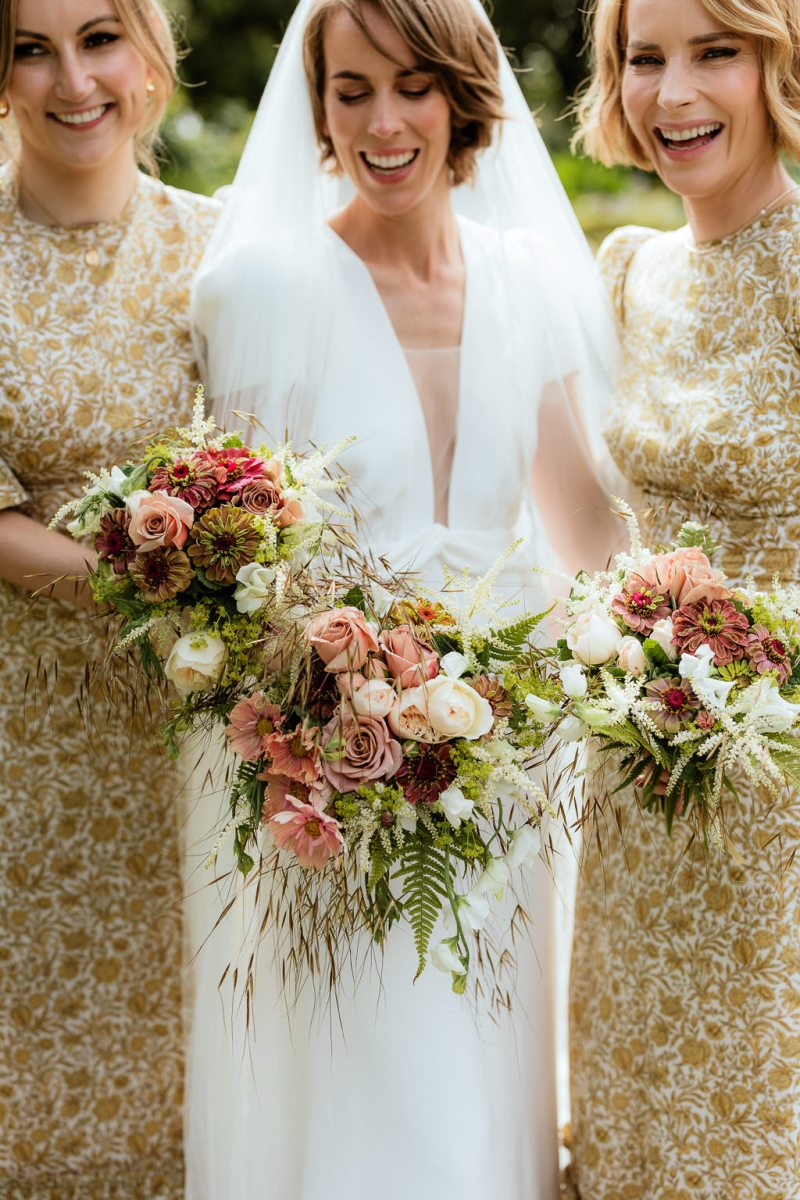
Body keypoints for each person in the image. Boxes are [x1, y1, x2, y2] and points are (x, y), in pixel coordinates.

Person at [189, 1, 619, 1197]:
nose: (383, 122)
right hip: (328, 767)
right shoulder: (259, 287)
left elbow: (580, 523)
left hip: (504, 761)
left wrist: (676, 642)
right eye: (351, 90)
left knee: (484, 1070)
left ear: (462, 96)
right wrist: (315, 720)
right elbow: (238, 557)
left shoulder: (528, 275)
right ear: (316, 109)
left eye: (413, 86)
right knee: (366, 1076)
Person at [567, 0, 800, 1196]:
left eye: (713, 52)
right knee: (637, 1086)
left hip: (780, 781)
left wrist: (751, 651)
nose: (671, 94)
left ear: (776, 62)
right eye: (642, 58)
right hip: (641, 758)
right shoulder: (631, 270)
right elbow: (602, 526)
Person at [0, 1, 218, 1195]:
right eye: (30, 48)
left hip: (196, 726)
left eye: (97, 38)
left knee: (189, 1039)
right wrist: (163, 582)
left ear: (149, 54)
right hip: (25, 725)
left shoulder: (226, 247)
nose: (71, 79)